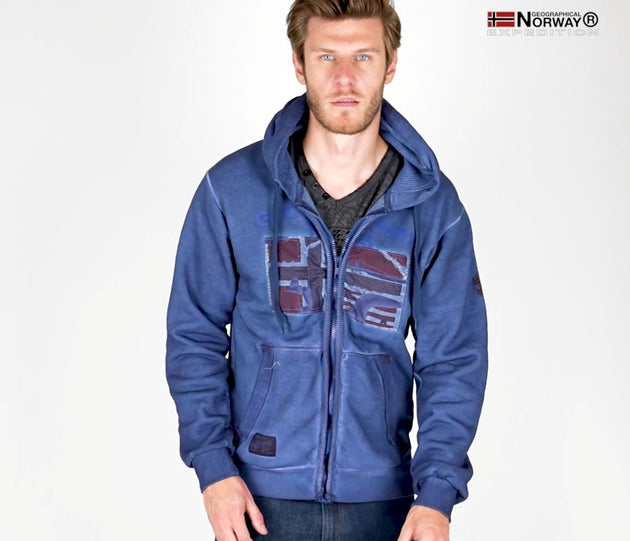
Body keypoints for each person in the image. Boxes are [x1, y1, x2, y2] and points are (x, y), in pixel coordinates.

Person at [166, 1, 488, 540]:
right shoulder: (232, 189)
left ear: (390, 65)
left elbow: (454, 357)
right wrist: (213, 469)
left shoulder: (433, 206)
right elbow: (193, 333)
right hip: (257, 499)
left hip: (385, 504)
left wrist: (437, 495)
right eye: (326, 57)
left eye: (363, 56)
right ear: (299, 64)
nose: (344, 78)